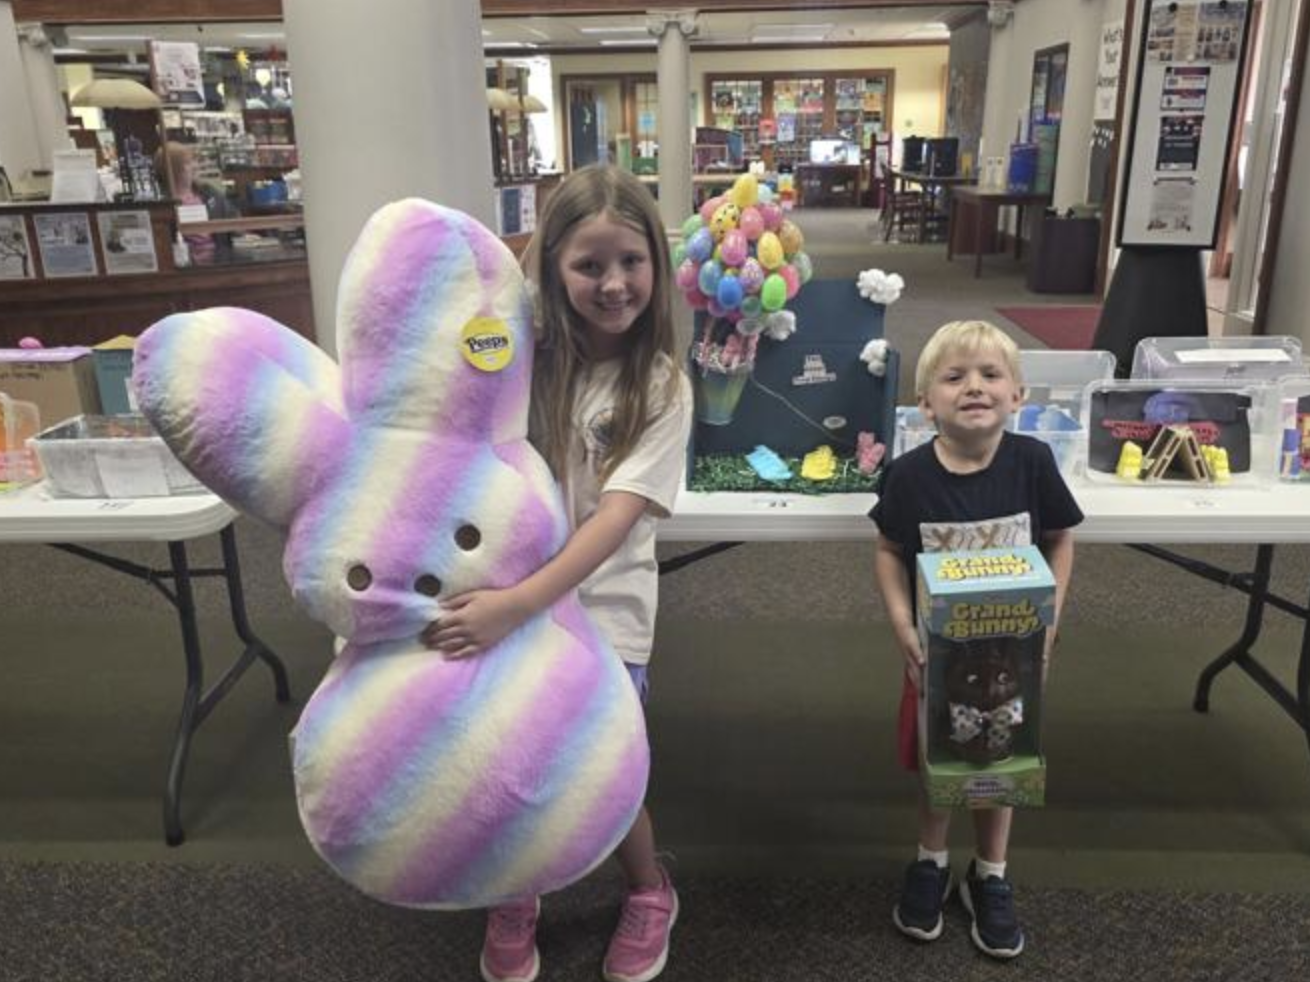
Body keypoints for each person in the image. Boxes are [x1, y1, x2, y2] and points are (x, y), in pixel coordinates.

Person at [421, 163, 693, 982]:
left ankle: (649, 890)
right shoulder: (524, 360)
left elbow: (613, 522)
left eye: (631, 262)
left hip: (602, 611)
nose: (613, 284)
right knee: (507, 754)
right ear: (552, 269)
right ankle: (516, 890)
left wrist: (518, 606)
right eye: (588, 265)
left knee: (602, 762)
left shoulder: (660, 387)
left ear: (656, 264)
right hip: (503, 593)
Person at [870, 320, 1082, 960]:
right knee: (942, 761)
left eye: (991, 375)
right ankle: (930, 861)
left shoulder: (1033, 463)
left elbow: (1060, 539)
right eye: (954, 376)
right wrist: (904, 626)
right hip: (935, 660)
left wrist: (1051, 618)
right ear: (925, 401)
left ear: (1018, 395)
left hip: (1014, 661)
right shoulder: (908, 476)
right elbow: (886, 549)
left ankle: (989, 872)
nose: (974, 387)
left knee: (1001, 762)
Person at [159, 141, 233, 265]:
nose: (195, 166)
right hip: (185, 268)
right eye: (188, 163)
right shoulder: (162, 203)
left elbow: (232, 217)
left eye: (195, 161)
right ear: (174, 169)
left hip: (219, 263)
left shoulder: (208, 192)